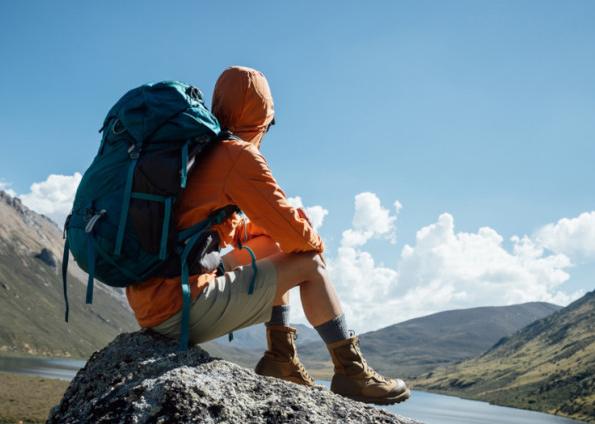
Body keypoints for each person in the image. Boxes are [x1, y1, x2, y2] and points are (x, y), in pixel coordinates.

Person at [125, 66, 410, 405]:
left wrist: (278, 231)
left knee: (276, 245)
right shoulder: (237, 156)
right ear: (261, 118)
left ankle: (281, 359)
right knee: (309, 263)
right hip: (178, 307)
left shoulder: (197, 149)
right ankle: (351, 373)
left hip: (154, 297)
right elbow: (296, 238)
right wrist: (315, 243)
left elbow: (220, 229)